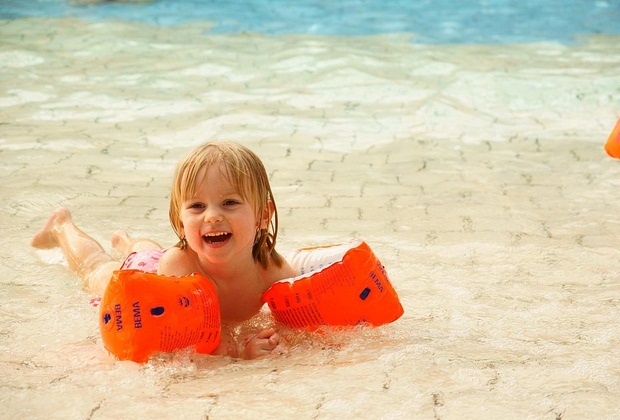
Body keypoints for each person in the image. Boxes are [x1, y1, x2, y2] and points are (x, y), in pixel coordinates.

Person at [31, 141, 296, 359]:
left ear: (262, 216)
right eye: (197, 207)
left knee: (148, 250)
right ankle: (61, 226)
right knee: (96, 268)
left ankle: (127, 243)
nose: (212, 216)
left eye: (229, 202)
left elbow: (290, 332)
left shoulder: (274, 275)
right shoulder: (178, 268)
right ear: (181, 224)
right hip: (145, 280)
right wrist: (241, 353)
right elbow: (190, 347)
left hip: (157, 263)